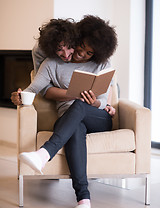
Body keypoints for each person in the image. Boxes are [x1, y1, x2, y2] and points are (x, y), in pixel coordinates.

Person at [11, 15, 117, 208]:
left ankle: (44, 154)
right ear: (77, 38)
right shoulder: (51, 64)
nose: (81, 53)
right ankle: (83, 199)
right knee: (75, 128)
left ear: (97, 53)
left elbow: (102, 103)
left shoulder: (102, 65)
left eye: (89, 53)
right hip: (69, 120)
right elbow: (32, 89)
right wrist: (18, 96)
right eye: (81, 46)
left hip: (98, 118)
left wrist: (93, 103)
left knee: (79, 105)